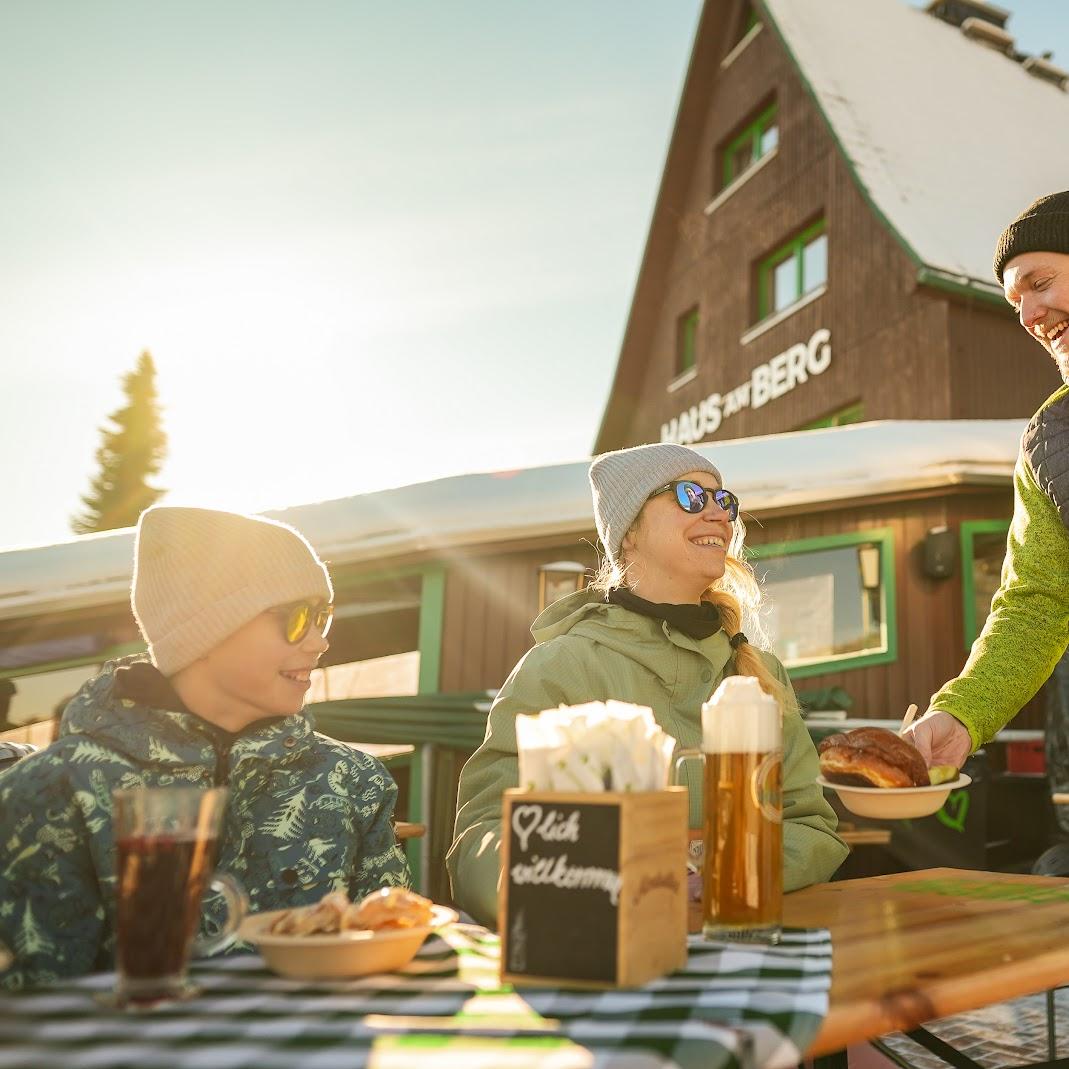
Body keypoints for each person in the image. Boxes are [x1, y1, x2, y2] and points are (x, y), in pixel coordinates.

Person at [0, 506, 410, 989]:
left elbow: (392, 951)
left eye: (324, 616)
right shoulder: (54, 791)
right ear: (206, 629)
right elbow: (36, 1014)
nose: (320, 642)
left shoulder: (353, 781)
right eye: (299, 617)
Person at [446, 442, 847, 927]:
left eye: (725, 501)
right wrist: (583, 886)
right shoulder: (560, 668)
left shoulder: (757, 673)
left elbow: (811, 824)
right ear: (629, 532)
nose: (719, 514)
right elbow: (483, 835)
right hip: (603, 950)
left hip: (744, 944)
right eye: (690, 496)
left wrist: (726, 871)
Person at [906, 191, 1069, 769]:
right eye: (1015, 302)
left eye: (1040, 283)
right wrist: (960, 714)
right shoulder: (1049, 440)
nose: (1028, 317)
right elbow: (1036, 602)